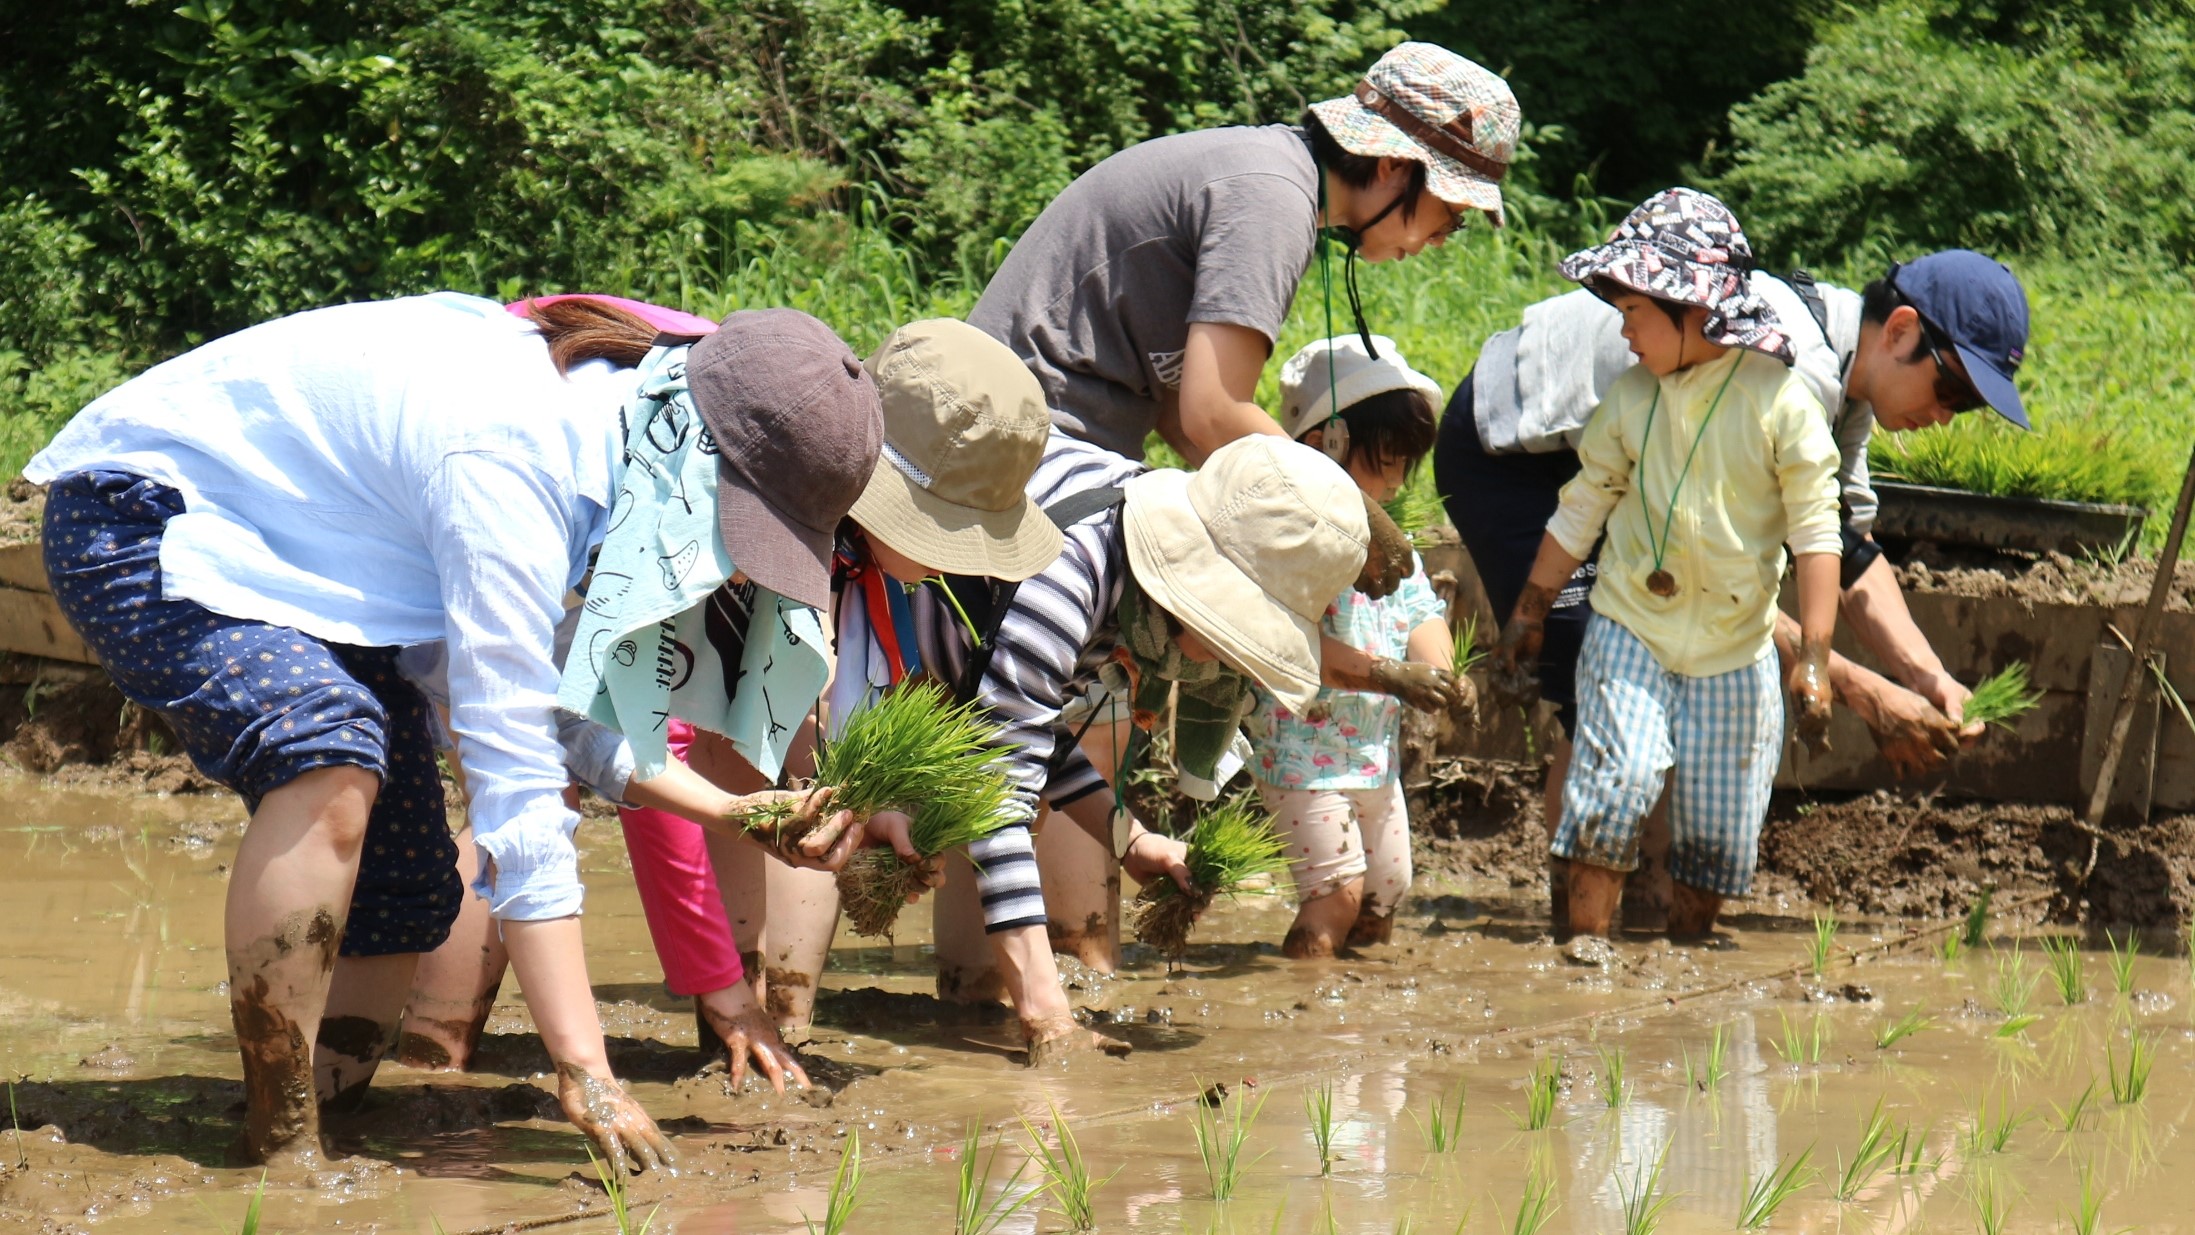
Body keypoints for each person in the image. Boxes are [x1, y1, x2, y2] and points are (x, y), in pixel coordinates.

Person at [25, 294, 879, 1171]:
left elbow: (557, 714)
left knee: (407, 879)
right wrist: (585, 1066)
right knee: (330, 751)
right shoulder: (516, 456)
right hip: (147, 516)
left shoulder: (618, 440)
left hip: (323, 569)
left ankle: (328, 1117)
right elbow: (511, 775)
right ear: (701, 452)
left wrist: (732, 811)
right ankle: (279, 1144)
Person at [1440, 246, 2031, 923]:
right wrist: (1866, 693)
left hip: (1629, 471)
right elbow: (1710, 575)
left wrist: (1931, 681)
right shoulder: (1785, 371)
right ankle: (1582, 925)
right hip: (1517, 453)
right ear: (1898, 331)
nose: (1946, 416)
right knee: (1608, 672)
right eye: (1950, 390)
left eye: (1967, 408)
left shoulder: (1844, 384)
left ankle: (1640, 912)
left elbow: (1842, 547)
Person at [970, 40, 1521, 600]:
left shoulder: (1273, 177)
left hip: (1029, 431)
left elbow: (1182, 411)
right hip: (1023, 445)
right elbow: (1215, 412)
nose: (1441, 239)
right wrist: (1345, 510)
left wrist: (1292, 511)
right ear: (1392, 165)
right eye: (1450, 215)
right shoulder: (1274, 200)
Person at [1489, 188, 1841, 947]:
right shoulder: (1629, 398)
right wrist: (1528, 610)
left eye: (1633, 312)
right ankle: (1583, 946)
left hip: (1736, 647)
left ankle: (1687, 949)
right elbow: (1580, 509)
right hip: (1630, 626)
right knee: (1615, 782)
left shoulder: (1779, 404)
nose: (1622, 330)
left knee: (1718, 829)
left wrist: (1811, 658)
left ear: (1691, 305)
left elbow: (1817, 531)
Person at [1246, 335, 1455, 957]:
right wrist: (1390, 676)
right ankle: (1310, 1015)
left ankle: (1355, 1005)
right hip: (1298, 751)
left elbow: (1419, 608)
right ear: (1326, 444)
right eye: (1383, 463)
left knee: (1387, 888)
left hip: (1371, 752)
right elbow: (1297, 645)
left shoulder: (1388, 542)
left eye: (1402, 468)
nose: (1393, 484)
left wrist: (1440, 673)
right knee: (1336, 892)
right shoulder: (1291, 541)